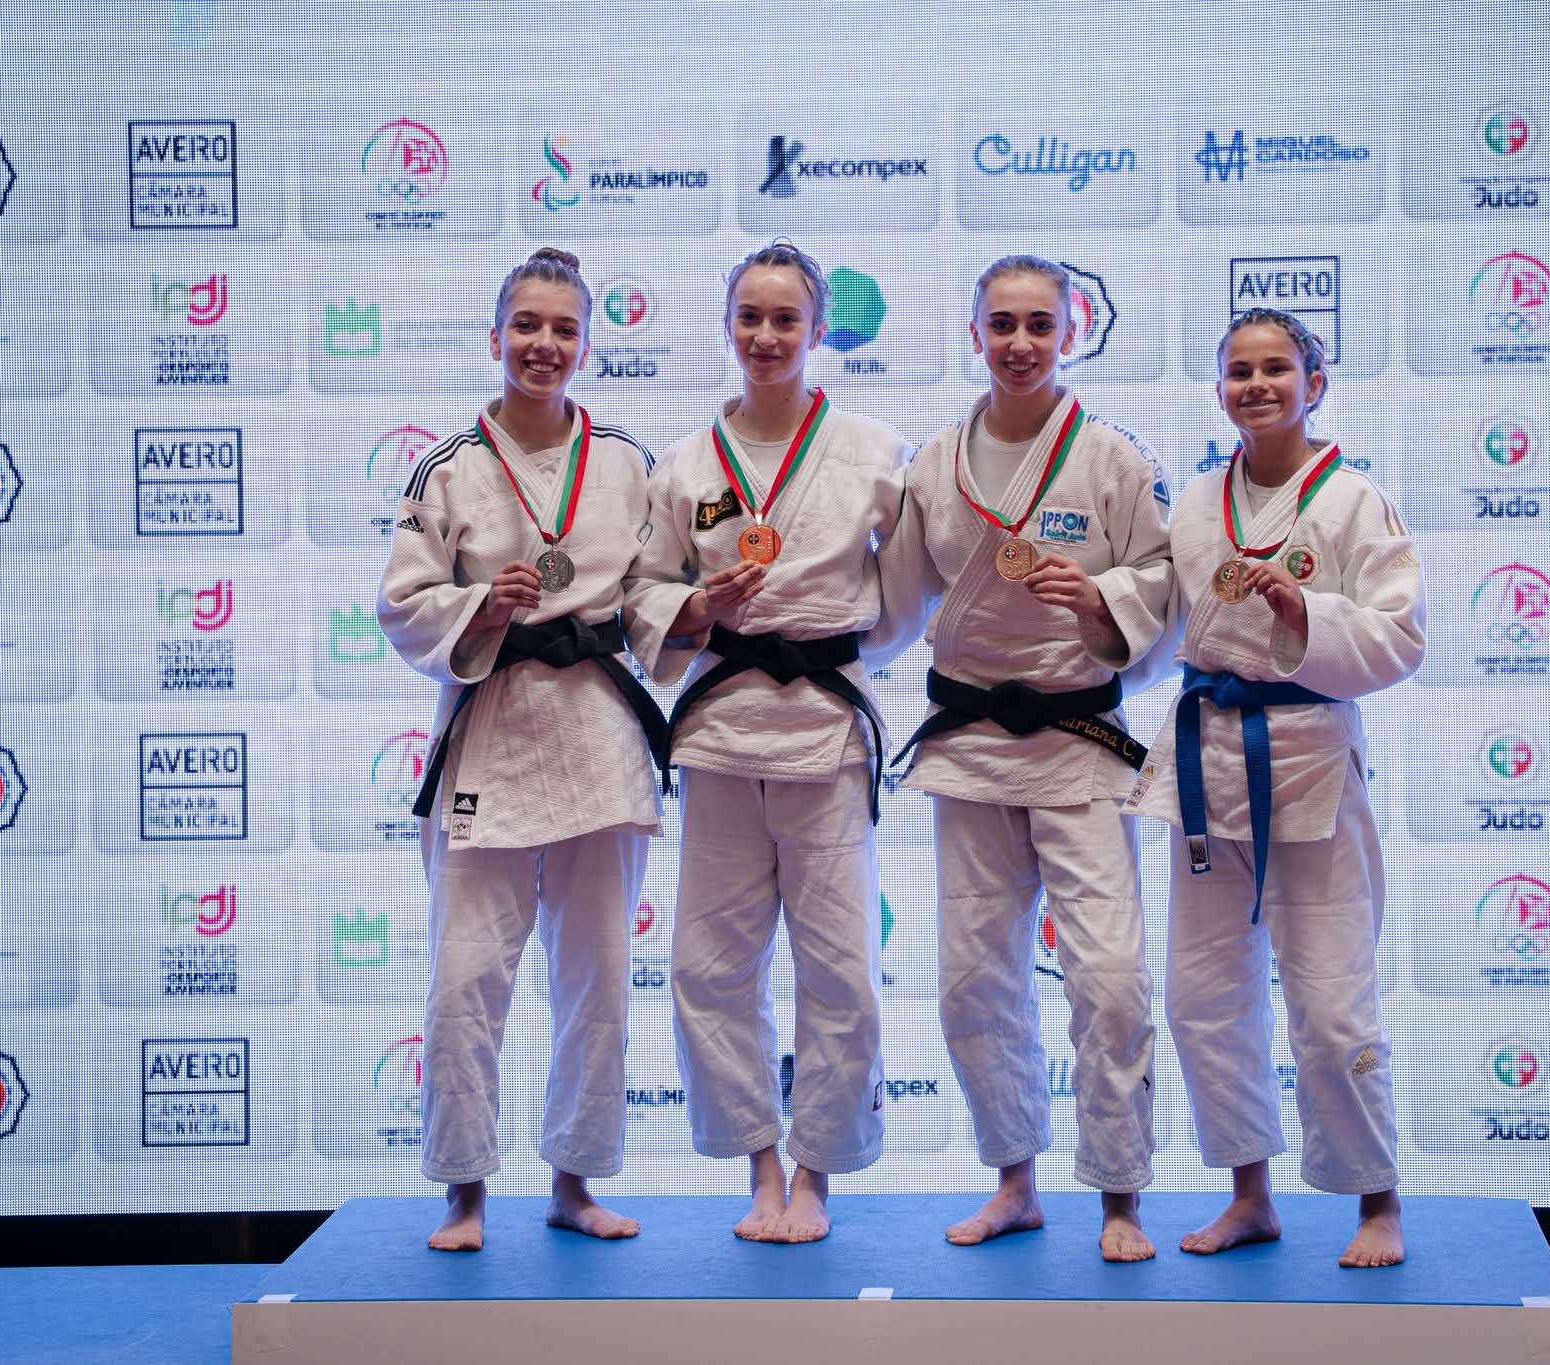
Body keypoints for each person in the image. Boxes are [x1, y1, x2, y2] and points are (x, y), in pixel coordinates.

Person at [873, 255, 1174, 1263]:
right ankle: (1013, 1181)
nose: (1018, 343)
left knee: (1110, 978)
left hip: (1078, 743)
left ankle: (1121, 1192)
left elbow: (1161, 584)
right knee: (974, 979)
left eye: (1039, 324)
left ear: (1071, 331)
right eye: (1000, 323)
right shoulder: (933, 464)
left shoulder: (1113, 460)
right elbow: (892, 606)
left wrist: (1102, 600)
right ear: (974, 333)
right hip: (969, 748)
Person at [378, 248, 668, 1252]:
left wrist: (695, 609)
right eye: (527, 325)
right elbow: (401, 604)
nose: (544, 344)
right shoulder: (448, 467)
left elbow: (654, 591)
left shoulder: (626, 462)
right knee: (465, 979)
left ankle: (574, 1184)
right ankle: (463, 1193)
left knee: (596, 979)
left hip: (598, 735)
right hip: (491, 735)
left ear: (587, 343)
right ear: (495, 335)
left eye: (563, 328)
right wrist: (479, 605)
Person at [1124, 306, 1424, 1268]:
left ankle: (1378, 1198)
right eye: (1240, 372)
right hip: (1208, 763)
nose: (1256, 386)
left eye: (1276, 370)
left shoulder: (1354, 500)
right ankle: (1249, 1194)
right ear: (1221, 390)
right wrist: (1089, 603)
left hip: (1310, 761)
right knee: (1202, 996)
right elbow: (1155, 615)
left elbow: (1401, 636)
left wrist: (1308, 612)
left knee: (1332, 1006)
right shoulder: (1194, 501)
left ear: (1314, 384)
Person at [623, 241, 909, 1244]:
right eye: (749, 315)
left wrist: (839, 644)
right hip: (718, 732)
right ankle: (759, 1162)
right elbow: (645, 592)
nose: (766, 334)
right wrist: (697, 608)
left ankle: (816, 1171)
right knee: (708, 967)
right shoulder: (684, 464)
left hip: (824, 729)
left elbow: (903, 596)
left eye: (786, 318)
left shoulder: (873, 451)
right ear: (727, 325)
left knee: (840, 968)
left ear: (818, 329)